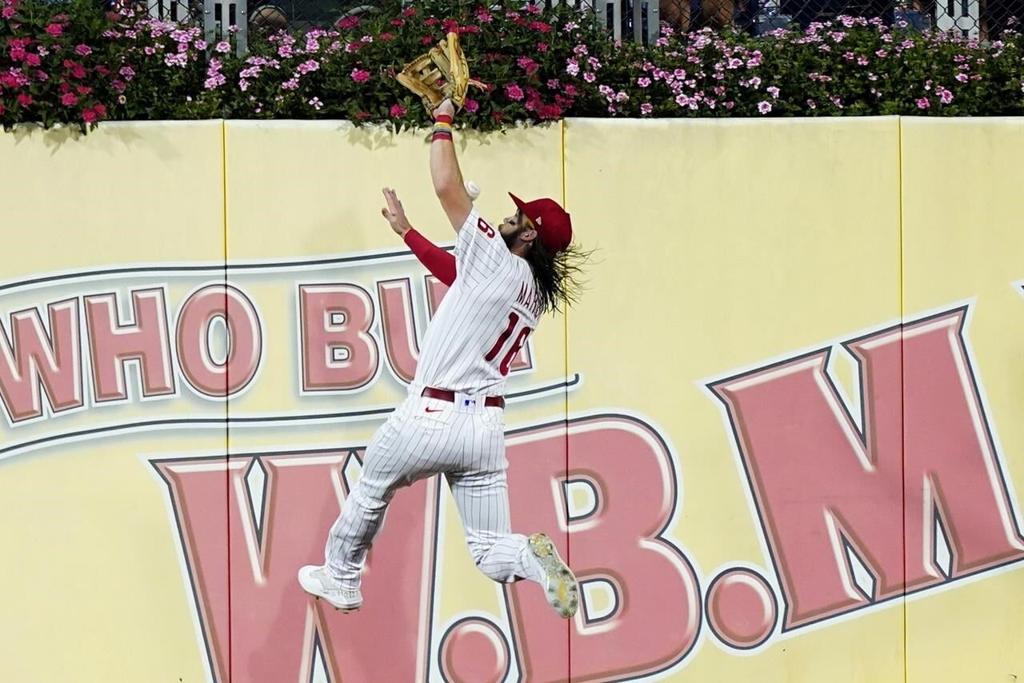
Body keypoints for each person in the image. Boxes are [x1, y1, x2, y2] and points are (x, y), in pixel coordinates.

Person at [298, 98, 587, 619]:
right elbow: (457, 277)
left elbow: (447, 187)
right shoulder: (528, 289)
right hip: (484, 430)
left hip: (432, 415)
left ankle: (339, 578)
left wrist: (444, 117)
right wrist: (407, 232)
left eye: (517, 216)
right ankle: (528, 556)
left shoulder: (499, 258)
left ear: (527, 236)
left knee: (369, 491)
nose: (507, 216)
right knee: (489, 549)